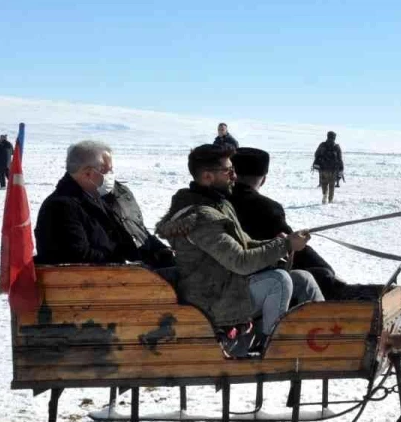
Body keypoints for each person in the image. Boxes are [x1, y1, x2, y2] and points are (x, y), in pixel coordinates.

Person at [155, 145, 323, 351]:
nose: (234, 176)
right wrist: (285, 245)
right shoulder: (201, 219)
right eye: (228, 171)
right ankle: (274, 349)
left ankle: (325, 336)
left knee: (303, 280)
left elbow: (245, 244)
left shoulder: (218, 205)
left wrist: (281, 242)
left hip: (227, 286)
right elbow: (240, 262)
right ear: (207, 176)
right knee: (278, 280)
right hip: (214, 301)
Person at [229, 147, 347, 299]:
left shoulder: (217, 202)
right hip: (255, 284)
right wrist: (325, 269)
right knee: (322, 275)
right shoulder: (268, 208)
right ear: (263, 179)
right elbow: (292, 246)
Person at [35, 140, 142, 264]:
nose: (110, 176)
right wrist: (120, 262)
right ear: (88, 173)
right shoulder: (61, 207)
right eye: (107, 171)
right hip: (88, 280)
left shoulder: (95, 198)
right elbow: (76, 255)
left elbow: (120, 238)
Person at [101, 178, 176, 269]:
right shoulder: (85, 199)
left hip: (145, 258)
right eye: (101, 166)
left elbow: (139, 228)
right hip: (117, 268)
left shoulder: (123, 191)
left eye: (110, 167)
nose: (107, 169)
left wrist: (160, 248)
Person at [312, 130, 345, 204]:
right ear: (334, 138)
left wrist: (318, 162)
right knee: (332, 185)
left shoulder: (322, 145)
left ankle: (324, 195)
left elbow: (316, 154)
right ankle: (330, 200)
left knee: (324, 183)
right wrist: (341, 168)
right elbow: (340, 158)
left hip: (323, 168)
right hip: (333, 170)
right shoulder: (336, 147)